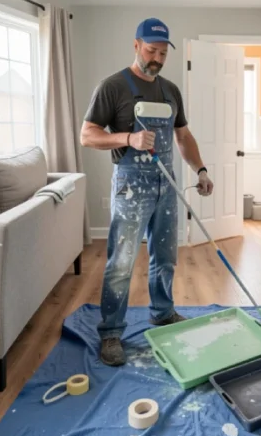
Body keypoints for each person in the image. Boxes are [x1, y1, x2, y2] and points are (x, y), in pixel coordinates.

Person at [80, 18, 214, 366]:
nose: (156, 58)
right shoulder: (112, 86)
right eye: (151, 50)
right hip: (130, 183)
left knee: (166, 256)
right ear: (136, 45)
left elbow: (183, 136)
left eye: (163, 52)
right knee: (121, 263)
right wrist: (128, 138)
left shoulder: (170, 91)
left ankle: (163, 313)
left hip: (165, 183)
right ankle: (111, 332)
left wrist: (200, 169)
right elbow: (88, 134)